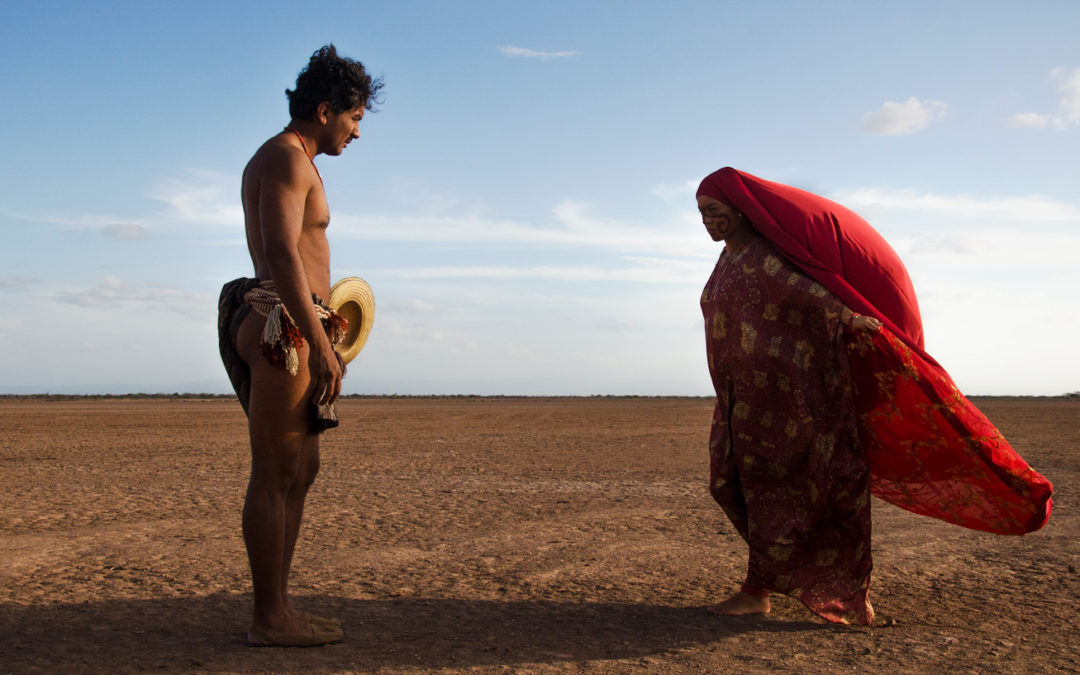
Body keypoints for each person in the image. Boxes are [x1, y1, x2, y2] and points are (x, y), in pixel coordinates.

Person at [696, 167, 1053, 625]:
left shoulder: (763, 257)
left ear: (740, 209)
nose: (707, 221)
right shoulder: (728, 261)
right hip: (741, 402)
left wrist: (848, 318)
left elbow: (806, 294)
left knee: (787, 493)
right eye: (702, 214)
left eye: (714, 212)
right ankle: (768, 582)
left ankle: (778, 590)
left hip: (790, 403)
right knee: (731, 484)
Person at [217, 44, 383, 647]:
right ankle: (269, 618)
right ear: (324, 109)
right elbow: (285, 252)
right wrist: (317, 340)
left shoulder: (293, 160)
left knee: (301, 469)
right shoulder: (286, 159)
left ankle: (280, 606)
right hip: (282, 327)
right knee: (275, 471)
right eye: (355, 117)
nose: (357, 132)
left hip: (296, 321)